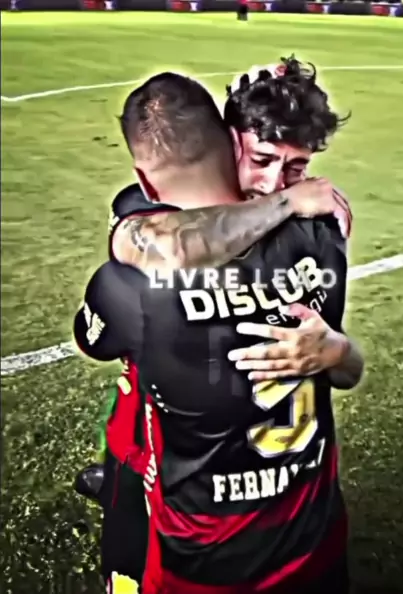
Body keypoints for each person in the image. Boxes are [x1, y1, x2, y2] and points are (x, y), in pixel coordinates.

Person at [74, 69, 363, 594]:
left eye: (296, 168)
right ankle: (121, 482)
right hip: (290, 502)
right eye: (262, 159)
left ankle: (126, 500)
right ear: (226, 144)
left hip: (212, 516)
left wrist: (338, 351)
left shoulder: (144, 247)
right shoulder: (319, 232)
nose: (274, 184)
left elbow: (140, 253)